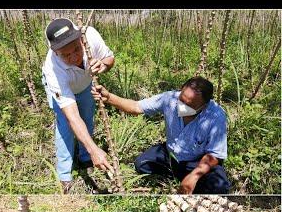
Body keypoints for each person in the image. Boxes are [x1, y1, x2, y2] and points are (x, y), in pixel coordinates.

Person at [91, 76, 230, 194]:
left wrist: (194, 176)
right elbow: (136, 107)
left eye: (190, 105)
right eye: (181, 100)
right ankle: (178, 176)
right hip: (171, 155)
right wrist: (108, 97)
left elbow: (215, 154)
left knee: (219, 185)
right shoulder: (170, 99)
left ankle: (190, 180)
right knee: (142, 164)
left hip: (197, 161)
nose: (182, 106)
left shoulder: (215, 117)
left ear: (204, 105)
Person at [41, 17, 116, 193]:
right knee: (65, 126)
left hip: (84, 85)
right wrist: (95, 149)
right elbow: (72, 116)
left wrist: (103, 66)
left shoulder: (91, 36)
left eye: (76, 49)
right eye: (66, 55)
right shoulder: (53, 70)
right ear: (55, 52)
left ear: (81, 39)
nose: (74, 57)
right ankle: (65, 175)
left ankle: (85, 158)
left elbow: (110, 59)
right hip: (65, 88)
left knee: (87, 117)